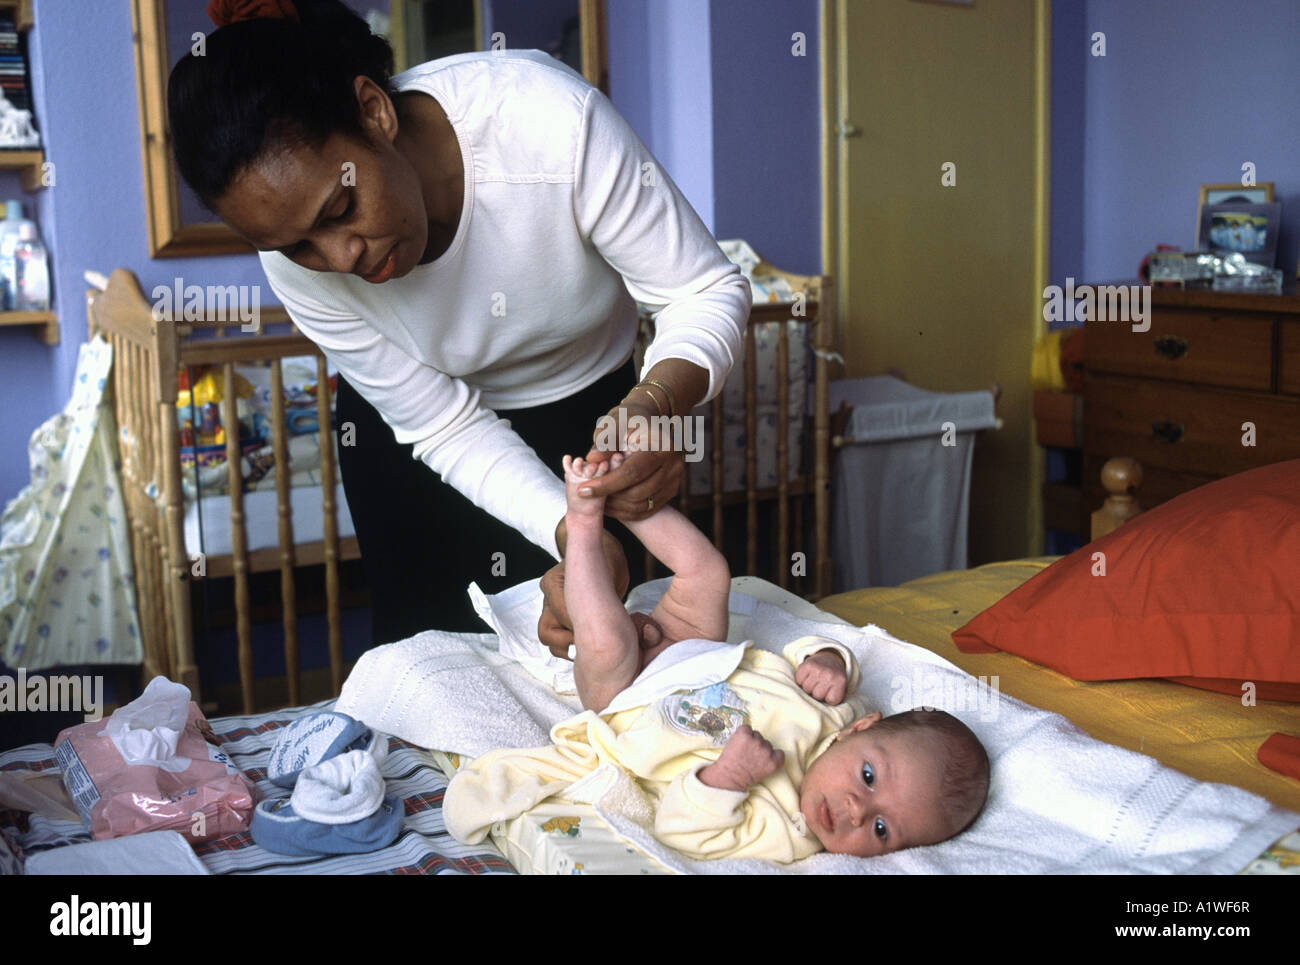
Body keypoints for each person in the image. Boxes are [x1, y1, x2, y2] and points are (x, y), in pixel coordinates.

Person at [169, 0, 750, 644]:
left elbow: (702, 289)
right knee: (434, 655)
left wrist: (655, 404)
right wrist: (563, 528)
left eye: (340, 208)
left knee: (604, 643)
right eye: (298, 245)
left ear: (374, 111)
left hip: (591, 416)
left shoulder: (544, 121)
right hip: (418, 452)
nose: (340, 258)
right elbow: (442, 425)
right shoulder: (295, 263)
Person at [443, 450, 991, 862]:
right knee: (709, 572)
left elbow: (687, 833)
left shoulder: (788, 831)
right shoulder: (839, 710)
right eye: (869, 776)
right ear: (862, 729)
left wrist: (725, 779)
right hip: (704, 649)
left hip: (632, 697)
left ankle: (584, 524)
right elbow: (811, 652)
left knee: (606, 636)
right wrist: (828, 658)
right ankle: (631, 498)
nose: (853, 809)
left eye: (880, 830)